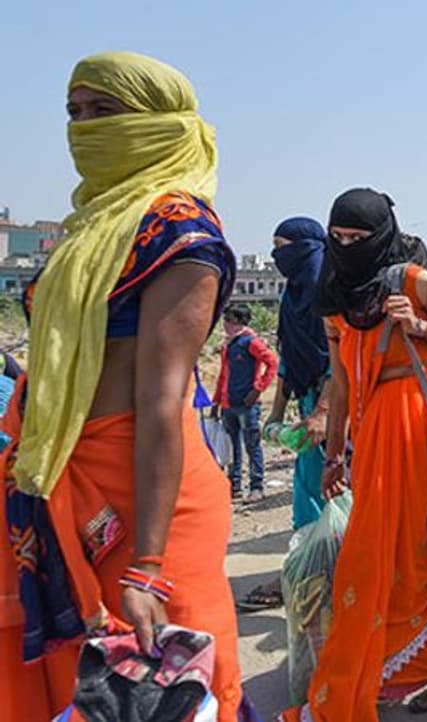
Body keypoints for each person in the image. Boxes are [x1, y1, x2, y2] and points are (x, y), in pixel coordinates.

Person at [0, 51, 244, 721]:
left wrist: (148, 566)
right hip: (61, 475)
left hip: (147, 501)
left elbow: (162, 401)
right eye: (75, 113)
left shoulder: (181, 233)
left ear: (161, 122)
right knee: (78, 683)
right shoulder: (87, 229)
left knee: (162, 685)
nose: (84, 129)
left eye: (104, 111)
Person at [284, 189, 427, 720]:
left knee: (377, 551)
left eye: (358, 238)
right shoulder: (335, 295)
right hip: (371, 427)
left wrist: (422, 327)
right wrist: (335, 454)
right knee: (417, 547)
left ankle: (387, 668)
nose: (347, 246)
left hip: (413, 421)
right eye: (338, 238)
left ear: (381, 236)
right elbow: (340, 380)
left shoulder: (413, 281)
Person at [236, 217, 331, 613]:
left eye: (285, 247)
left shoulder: (330, 291)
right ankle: (307, 570)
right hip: (310, 403)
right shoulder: (292, 299)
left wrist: (324, 411)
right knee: (308, 488)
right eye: (274, 248)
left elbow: (340, 358)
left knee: (333, 488)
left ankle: (316, 573)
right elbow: (289, 357)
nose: (279, 257)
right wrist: (275, 411)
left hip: (338, 406)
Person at [212, 304, 278, 501]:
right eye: (225, 320)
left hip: (246, 404)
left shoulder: (250, 342)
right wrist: (216, 402)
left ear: (241, 323)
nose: (226, 325)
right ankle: (235, 486)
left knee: (252, 445)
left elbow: (272, 363)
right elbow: (223, 375)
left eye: (231, 321)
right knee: (232, 446)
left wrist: (257, 389)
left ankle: (256, 486)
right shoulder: (228, 345)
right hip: (228, 404)